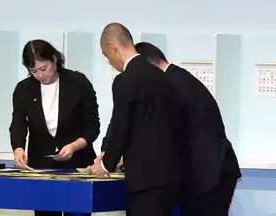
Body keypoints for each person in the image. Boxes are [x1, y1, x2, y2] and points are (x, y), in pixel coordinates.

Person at [134, 41, 241, 216]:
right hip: (212, 173)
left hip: (208, 178)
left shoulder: (172, 86)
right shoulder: (179, 78)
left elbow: (164, 134)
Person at [88, 23, 181, 216]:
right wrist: (108, 151)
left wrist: (106, 165)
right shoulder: (162, 77)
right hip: (168, 173)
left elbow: (122, 125)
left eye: (106, 55)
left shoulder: (125, 80)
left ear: (113, 47)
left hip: (143, 178)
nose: (110, 61)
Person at [9, 39, 100, 216]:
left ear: (54, 59)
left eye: (43, 69)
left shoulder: (78, 82)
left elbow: (92, 127)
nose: (40, 75)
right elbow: (18, 124)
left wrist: (74, 146)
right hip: (42, 168)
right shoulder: (24, 89)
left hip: (77, 166)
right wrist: (18, 149)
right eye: (33, 71)